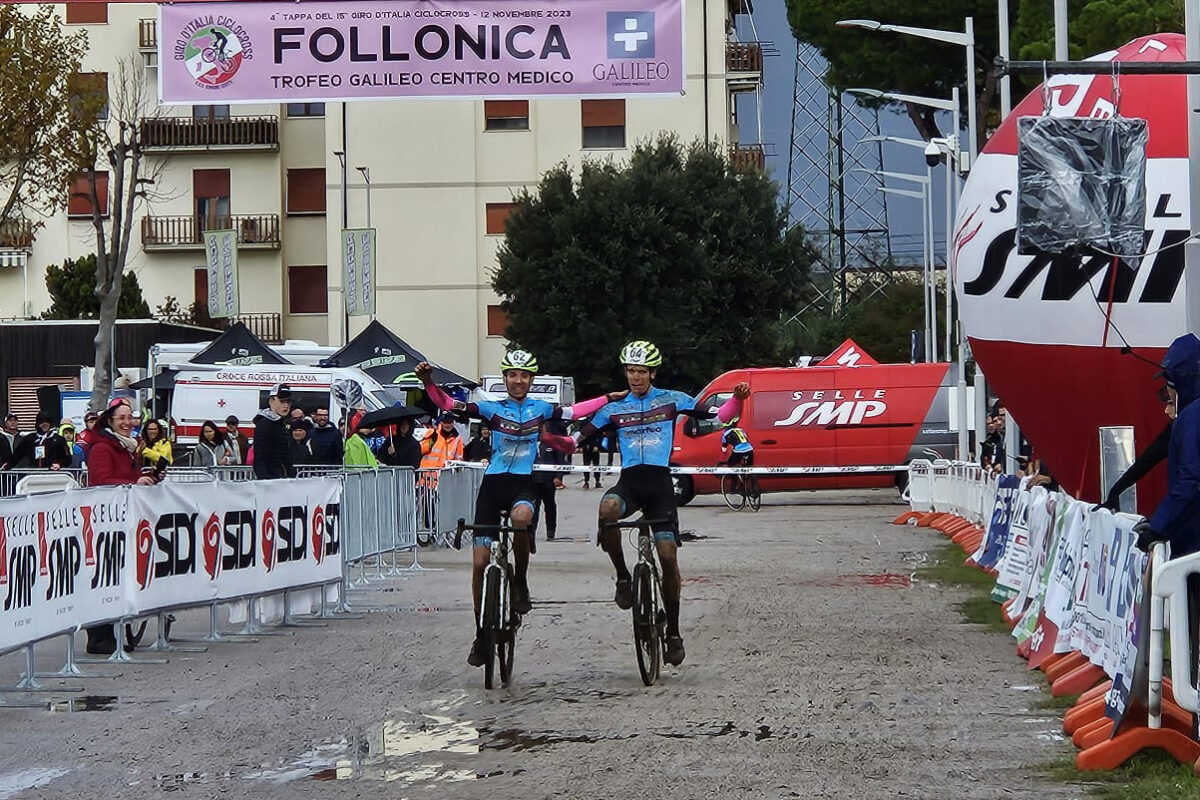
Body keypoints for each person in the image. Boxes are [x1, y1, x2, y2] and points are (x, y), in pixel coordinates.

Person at [417, 351, 622, 668]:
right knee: (480, 562)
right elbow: (448, 405)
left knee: (522, 518)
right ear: (505, 378)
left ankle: (521, 582)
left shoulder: (540, 409)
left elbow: (574, 410)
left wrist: (606, 397)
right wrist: (428, 382)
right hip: (493, 485)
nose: (518, 380)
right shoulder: (491, 408)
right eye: (513, 375)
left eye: (524, 375)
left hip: (523, 483)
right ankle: (481, 634)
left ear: (531, 380)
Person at [574, 341, 749, 668]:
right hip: (630, 484)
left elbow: (721, 416)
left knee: (667, 555)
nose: (635, 377)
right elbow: (575, 439)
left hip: (659, 487)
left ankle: (674, 632)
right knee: (607, 510)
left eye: (641, 371)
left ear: (652, 372)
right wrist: (538, 433)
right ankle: (623, 577)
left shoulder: (673, 400)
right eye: (630, 371)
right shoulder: (614, 408)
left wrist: (737, 398)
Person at [85, 398, 159, 654]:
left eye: (130, 417)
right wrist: (135, 483)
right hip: (106, 521)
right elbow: (102, 482)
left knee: (115, 580)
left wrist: (144, 478)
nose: (128, 423)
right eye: (122, 418)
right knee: (104, 579)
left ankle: (110, 634)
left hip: (122, 520)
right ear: (111, 420)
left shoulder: (126, 447)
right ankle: (99, 637)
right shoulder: (103, 448)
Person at [4, 410, 71, 470]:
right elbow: (17, 455)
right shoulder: (30, 439)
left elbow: (67, 458)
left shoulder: (59, 439)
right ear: (37, 424)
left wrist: (59, 464)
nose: (44, 425)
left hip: (52, 474)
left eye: (47, 422)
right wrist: (7, 466)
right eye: (41, 422)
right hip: (34, 475)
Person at [252, 383, 294, 480]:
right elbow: (260, 456)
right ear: (271, 401)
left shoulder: (280, 422)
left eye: (288, 402)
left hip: (282, 478)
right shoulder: (264, 424)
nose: (286, 406)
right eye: (282, 402)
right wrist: (266, 481)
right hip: (272, 480)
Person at [721, 417, 758, 498]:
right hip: (750, 449)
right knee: (749, 467)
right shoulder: (741, 430)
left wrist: (723, 460)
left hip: (739, 451)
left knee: (731, 464)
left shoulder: (725, 434)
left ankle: (734, 486)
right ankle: (753, 487)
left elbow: (724, 450)